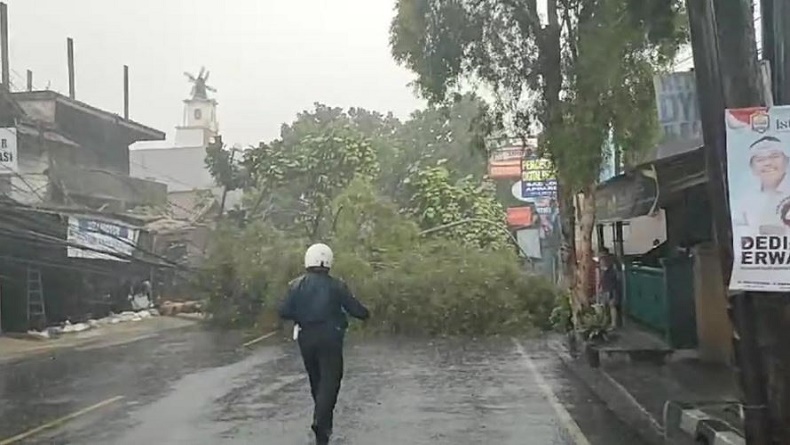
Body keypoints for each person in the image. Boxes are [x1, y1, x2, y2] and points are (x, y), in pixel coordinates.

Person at [279, 243, 370, 445]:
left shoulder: (295, 285)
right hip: (331, 337)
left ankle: (322, 425)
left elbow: (284, 311)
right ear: (328, 262)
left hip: (306, 338)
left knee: (316, 380)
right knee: (331, 381)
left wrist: (300, 316)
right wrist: (367, 314)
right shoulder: (337, 285)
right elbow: (355, 309)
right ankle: (322, 423)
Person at [733, 136, 790, 234]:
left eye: (774, 156)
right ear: (752, 167)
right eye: (760, 159)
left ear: (787, 161)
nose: (767, 163)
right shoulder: (744, 200)